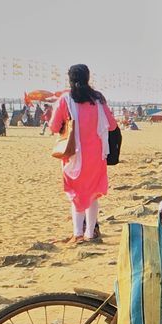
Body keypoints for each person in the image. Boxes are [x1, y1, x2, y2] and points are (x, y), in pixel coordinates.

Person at [48, 64, 118, 244]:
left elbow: (53, 127)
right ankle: (89, 233)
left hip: (73, 156)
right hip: (96, 156)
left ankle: (78, 233)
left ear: (70, 79)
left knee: (76, 193)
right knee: (93, 194)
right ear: (88, 78)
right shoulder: (98, 99)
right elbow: (112, 125)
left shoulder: (65, 100)